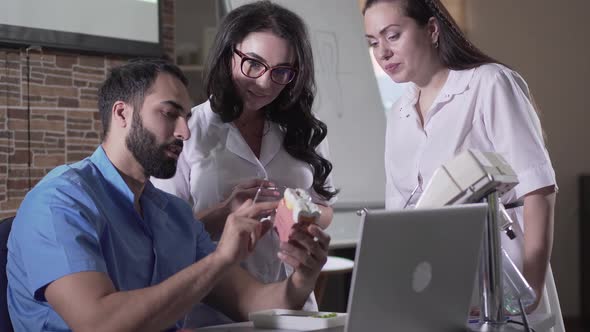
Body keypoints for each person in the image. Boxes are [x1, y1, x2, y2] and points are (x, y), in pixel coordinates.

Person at [6, 59, 330, 331]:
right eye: (169, 113)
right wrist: (219, 259)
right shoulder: (59, 201)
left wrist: (303, 277)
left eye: (187, 118)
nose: (184, 132)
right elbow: (98, 323)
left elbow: (255, 304)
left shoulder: (173, 215)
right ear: (122, 114)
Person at [363, 0, 556, 312]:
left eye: (393, 35)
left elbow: (538, 187)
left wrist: (530, 289)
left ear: (432, 29)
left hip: (503, 279)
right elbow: (399, 213)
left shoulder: (489, 82)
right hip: (431, 283)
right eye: (373, 42)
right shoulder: (399, 113)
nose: (382, 52)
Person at [152, 0, 338, 316]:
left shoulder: (305, 130)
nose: (265, 82)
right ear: (227, 56)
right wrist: (223, 214)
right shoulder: (188, 129)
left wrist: (299, 218)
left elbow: (324, 207)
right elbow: (164, 235)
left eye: (282, 71)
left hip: (295, 303)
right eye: (253, 63)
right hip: (212, 307)